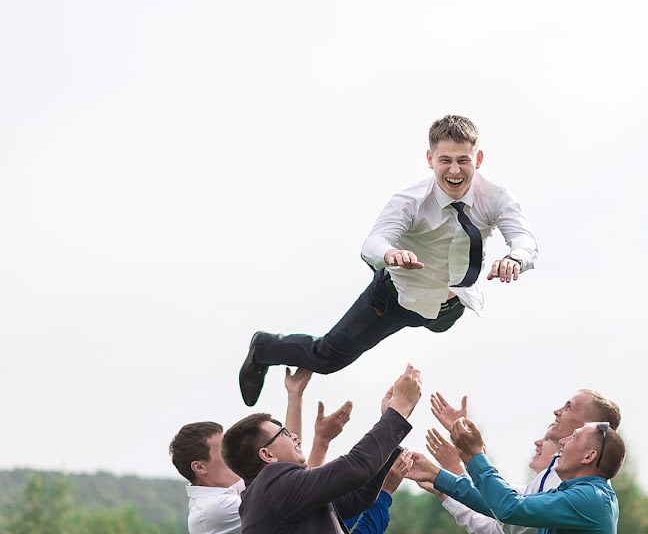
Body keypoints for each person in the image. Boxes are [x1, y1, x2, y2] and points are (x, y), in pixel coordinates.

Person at [239, 115, 538, 405]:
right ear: (430, 159)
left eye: (463, 160)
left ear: (479, 158)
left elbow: (524, 239)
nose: (455, 170)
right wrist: (390, 253)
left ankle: (435, 307)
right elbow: (373, 242)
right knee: (328, 358)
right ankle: (264, 346)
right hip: (394, 299)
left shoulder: (496, 195)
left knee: (438, 325)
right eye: (445, 160)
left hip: (451, 306)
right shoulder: (411, 201)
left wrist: (515, 257)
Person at [221, 364, 422, 533]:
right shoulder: (271, 485)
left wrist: (391, 419)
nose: (295, 436)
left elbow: (357, 497)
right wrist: (398, 410)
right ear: (267, 455)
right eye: (284, 433)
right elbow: (355, 467)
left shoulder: (266, 497)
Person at [169, 369, 355, 534]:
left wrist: (295, 395)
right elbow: (299, 490)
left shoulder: (231, 489)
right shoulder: (214, 510)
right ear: (200, 467)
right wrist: (321, 442)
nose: (230, 451)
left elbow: (286, 461)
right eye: (221, 449)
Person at [423, 389, 621, 534]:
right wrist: (438, 477)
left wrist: (473, 455)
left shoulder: (588, 497)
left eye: (569, 407)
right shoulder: (577, 490)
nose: (557, 411)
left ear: (590, 454)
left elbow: (507, 511)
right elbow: (497, 502)